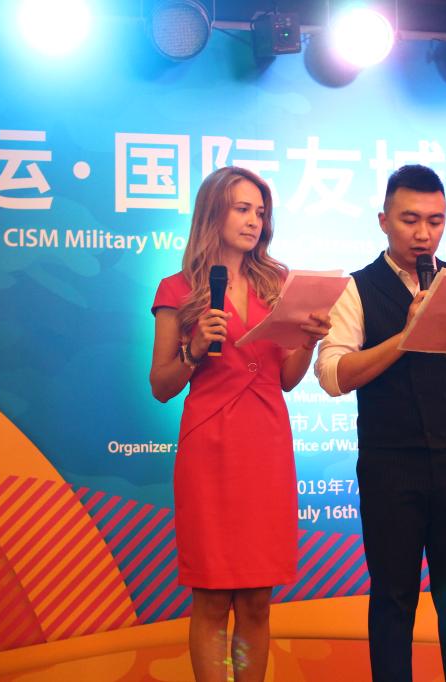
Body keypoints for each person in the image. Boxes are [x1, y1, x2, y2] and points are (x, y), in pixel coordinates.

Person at [314, 165, 446, 682]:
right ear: (383, 221)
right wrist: (406, 336)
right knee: (393, 600)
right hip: (390, 466)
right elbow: (333, 376)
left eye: (435, 221)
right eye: (410, 220)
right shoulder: (356, 289)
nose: (424, 234)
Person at [149, 166, 331, 682]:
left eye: (260, 212)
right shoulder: (177, 289)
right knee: (211, 597)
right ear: (214, 212)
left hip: (266, 445)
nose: (254, 221)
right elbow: (161, 385)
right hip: (209, 448)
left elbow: (288, 379)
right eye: (242, 209)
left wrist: (309, 340)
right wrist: (192, 349)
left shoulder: (278, 285)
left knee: (256, 600)